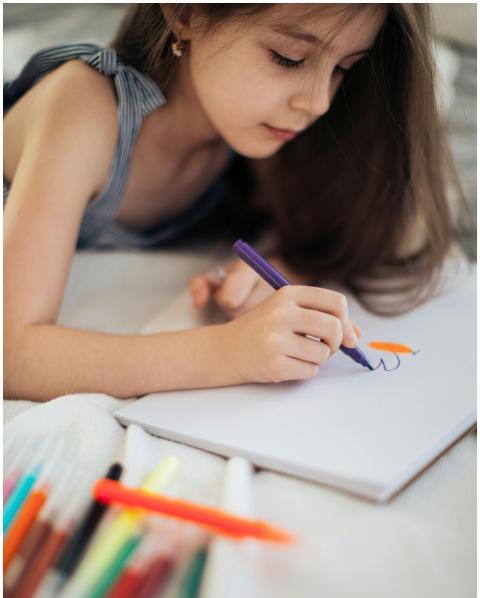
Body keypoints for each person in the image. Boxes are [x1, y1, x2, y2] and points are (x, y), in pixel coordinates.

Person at [4, 3, 461, 401]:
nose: (319, 101)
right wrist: (228, 352)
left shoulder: (252, 131)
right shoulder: (85, 108)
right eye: (289, 58)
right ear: (185, 13)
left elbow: (392, 219)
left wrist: (284, 266)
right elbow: (12, 354)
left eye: (344, 67)